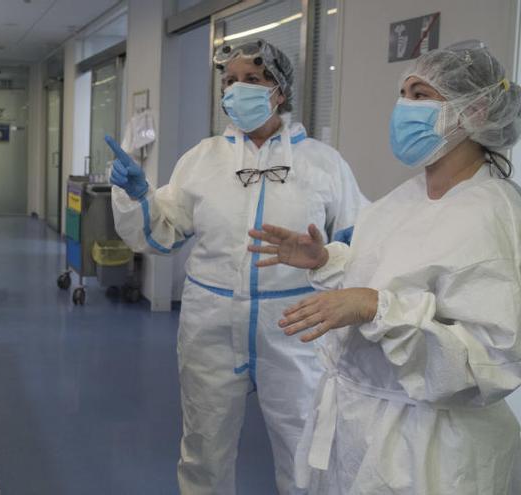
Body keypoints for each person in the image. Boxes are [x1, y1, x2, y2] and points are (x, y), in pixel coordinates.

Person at [249, 40, 521, 494]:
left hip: (432, 449)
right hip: (364, 425)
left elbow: (491, 360)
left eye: (420, 95)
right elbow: (385, 274)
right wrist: (328, 262)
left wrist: (379, 309)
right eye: (405, 94)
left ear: (473, 112)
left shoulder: (493, 215)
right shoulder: (407, 197)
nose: (403, 107)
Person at [107, 39, 368, 494]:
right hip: (210, 325)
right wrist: (138, 196)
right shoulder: (202, 160)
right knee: (204, 447)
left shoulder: (323, 165)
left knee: (304, 449)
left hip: (296, 328)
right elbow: (161, 233)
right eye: (229, 81)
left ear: (279, 91)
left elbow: (360, 246)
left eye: (253, 79)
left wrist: (327, 259)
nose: (237, 90)